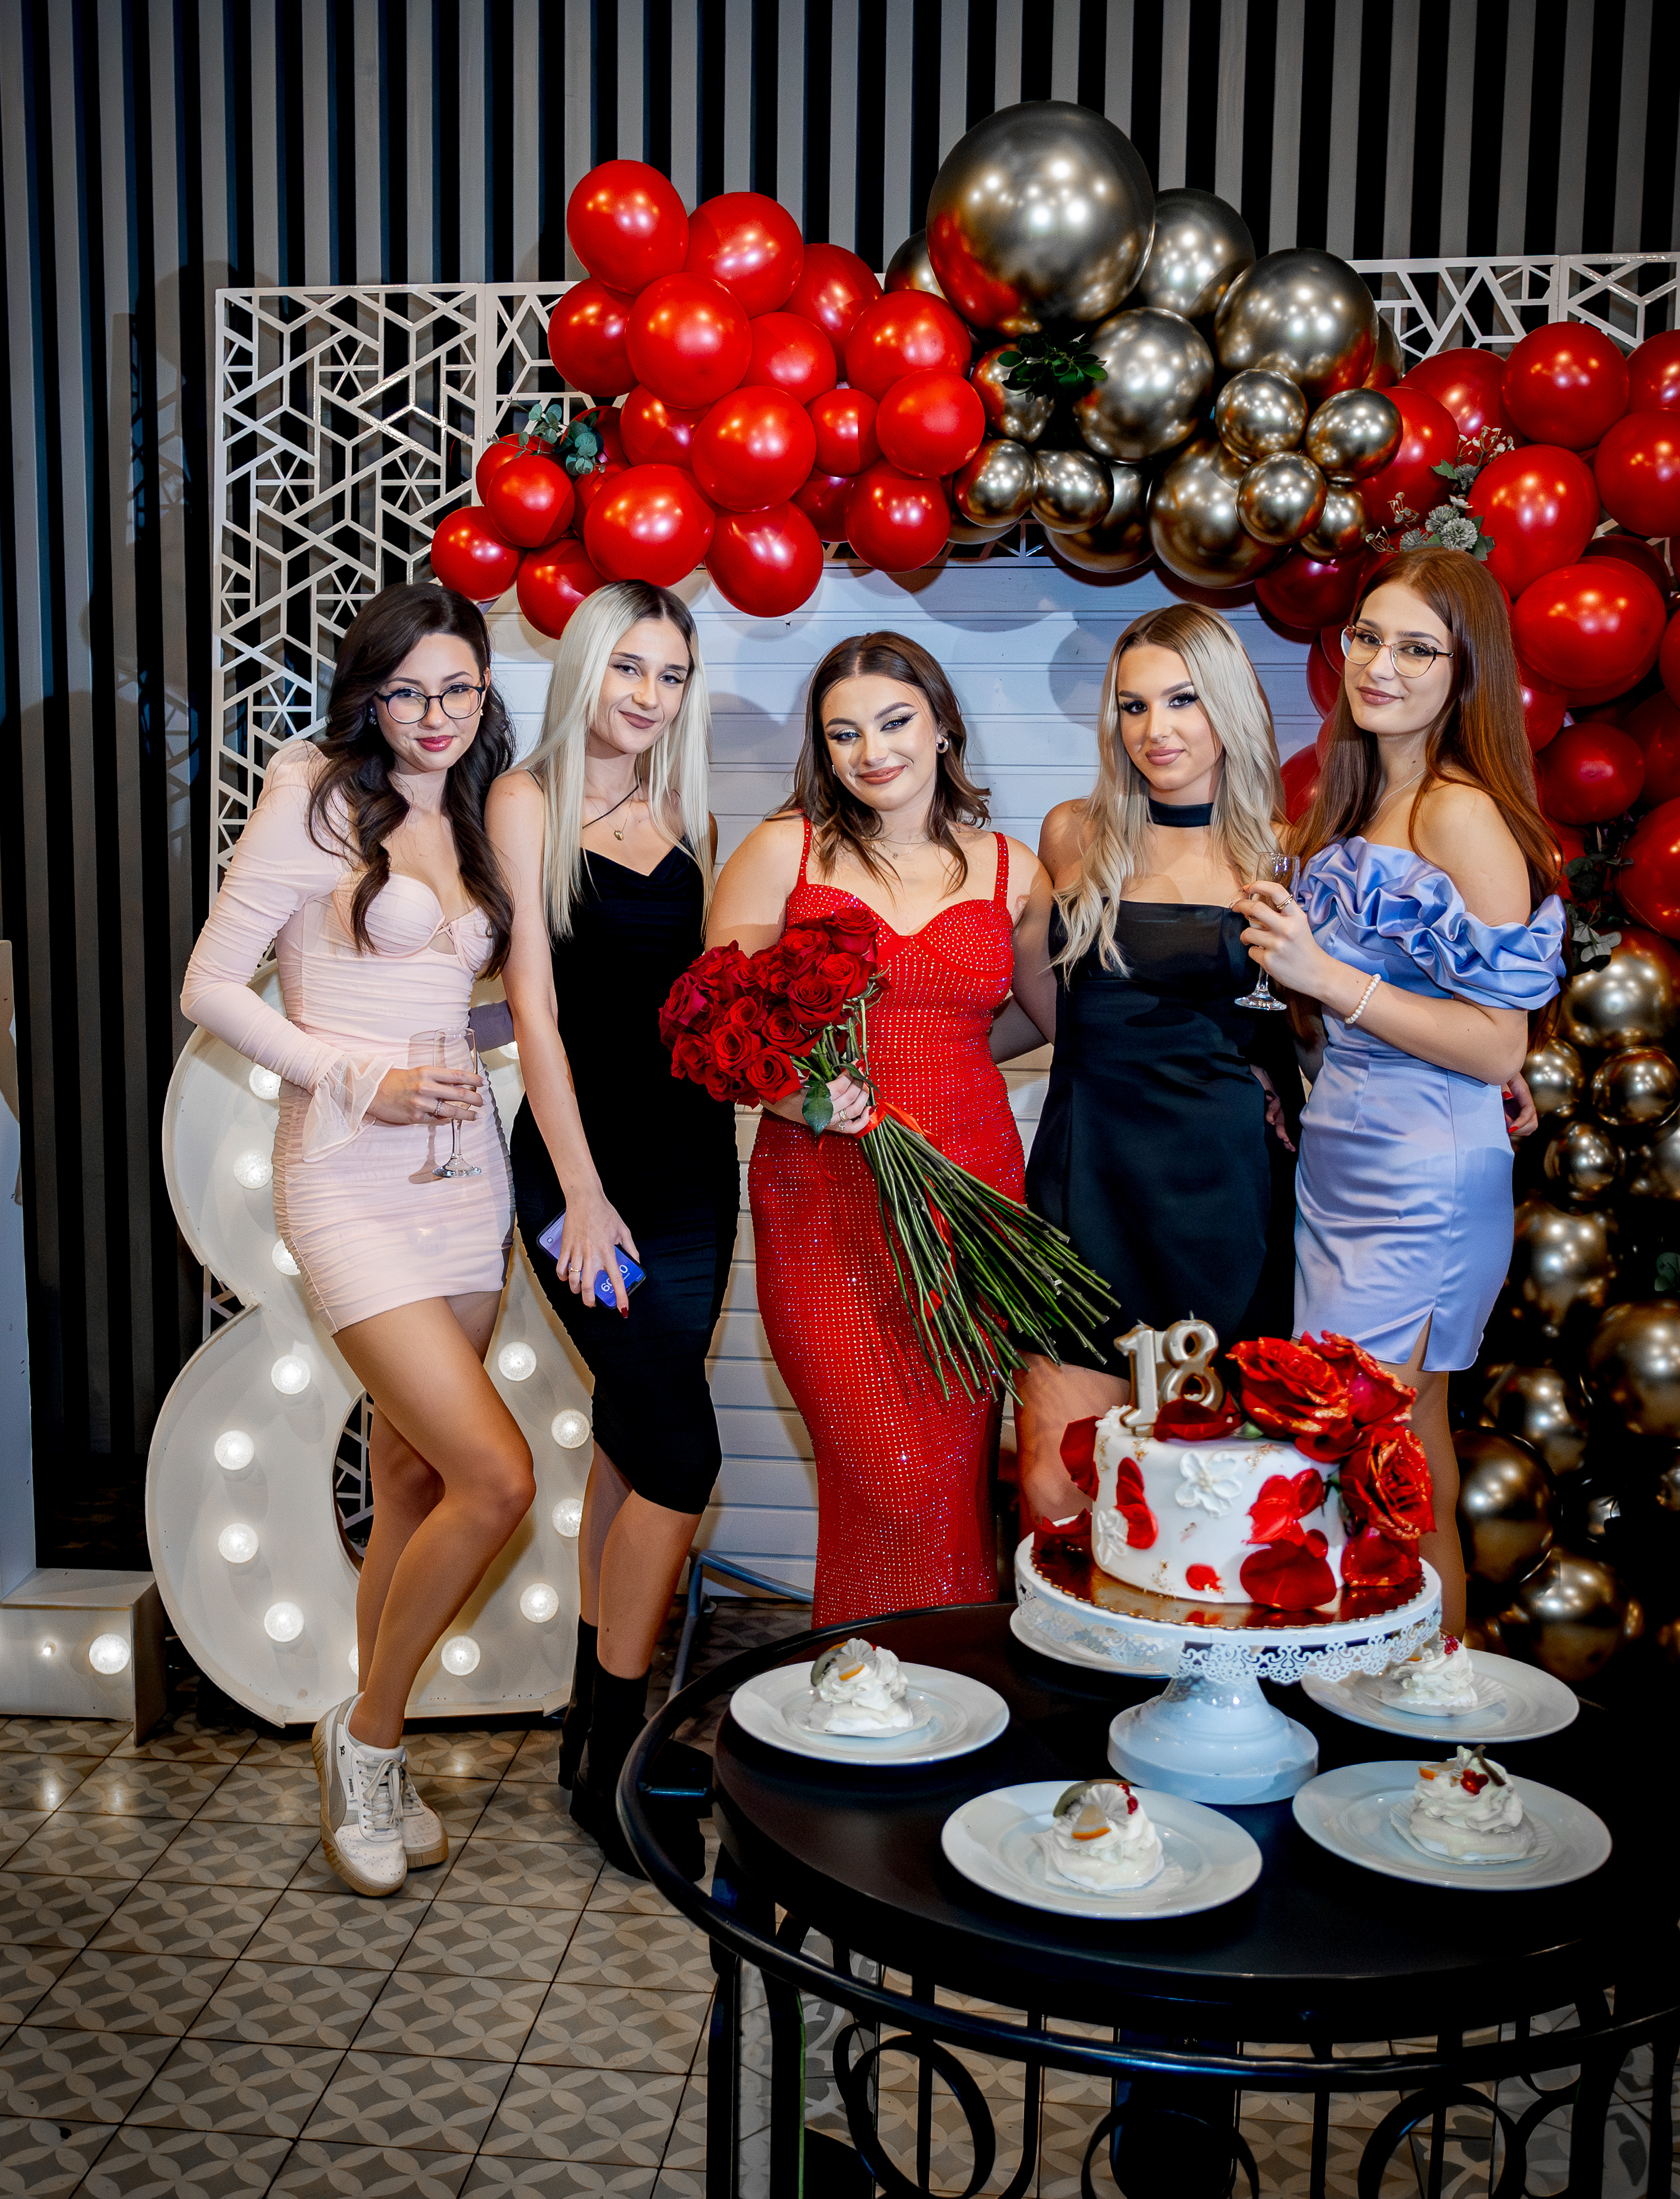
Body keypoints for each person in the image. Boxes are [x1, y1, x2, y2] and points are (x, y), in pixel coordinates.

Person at [181, 580, 534, 1897]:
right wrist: (358, 1076)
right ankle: (371, 1739)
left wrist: (508, 1036)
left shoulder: (481, 812)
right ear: (368, 696)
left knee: (414, 1482)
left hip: (464, 1185)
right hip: (346, 1177)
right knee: (498, 1479)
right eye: (407, 692)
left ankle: (364, 1735)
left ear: (484, 690)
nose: (435, 716)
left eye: (459, 689)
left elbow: (448, 998)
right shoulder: (316, 800)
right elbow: (210, 987)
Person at [1235, 547, 1565, 1635]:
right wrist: (1294, 1052)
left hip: (1422, 1180)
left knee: (1377, 1453)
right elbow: (1358, 1018)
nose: (1380, 666)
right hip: (1344, 1158)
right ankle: (1411, 1686)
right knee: (1390, 1449)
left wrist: (1327, 977)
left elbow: (1497, 1045)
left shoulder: (1461, 812)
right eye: (1368, 638)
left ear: (1466, 672)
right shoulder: (1362, 797)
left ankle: (1417, 1688)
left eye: (1418, 648)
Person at [706, 633, 1054, 1623]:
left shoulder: (1013, 869)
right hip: (823, 1202)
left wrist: (951, 1053)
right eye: (844, 733)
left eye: (895, 722)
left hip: (971, 1204)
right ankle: (868, 1681)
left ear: (941, 726)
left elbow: (1056, 1021)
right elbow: (717, 1025)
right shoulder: (784, 850)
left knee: (947, 1487)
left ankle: (929, 1694)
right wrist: (801, 1095)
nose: (872, 751)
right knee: (888, 1476)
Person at [487, 581, 736, 1871]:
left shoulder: (690, 814)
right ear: (585, 668)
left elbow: (708, 1005)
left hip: (694, 1168)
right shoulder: (523, 801)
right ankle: (618, 1761)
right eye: (628, 667)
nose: (647, 695)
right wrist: (580, 1191)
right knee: (684, 1455)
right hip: (581, 1169)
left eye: (670, 674)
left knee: (639, 1442)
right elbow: (533, 1010)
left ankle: (592, 1735)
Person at [1010, 602, 1303, 1528]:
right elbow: (1035, 1001)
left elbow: (1317, 1018)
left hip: (1223, 1193)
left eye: (1182, 700)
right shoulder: (1073, 833)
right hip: (1086, 1177)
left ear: (1230, 705)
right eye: (1133, 706)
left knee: (1203, 1497)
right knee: (1054, 1485)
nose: (1155, 729)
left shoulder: (1284, 853)